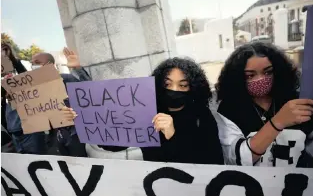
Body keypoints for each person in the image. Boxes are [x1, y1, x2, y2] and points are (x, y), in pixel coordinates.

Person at [63, 57, 248, 165]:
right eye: (168, 84)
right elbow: (112, 143)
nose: (174, 90)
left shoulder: (201, 116)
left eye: (182, 85)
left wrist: (173, 135)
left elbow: (211, 162)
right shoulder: (146, 111)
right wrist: (85, 120)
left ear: (192, 88)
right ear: (159, 84)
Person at [215, 42, 313, 167]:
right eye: (250, 75)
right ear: (238, 78)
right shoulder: (230, 108)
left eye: (267, 72)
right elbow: (237, 159)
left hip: (298, 182)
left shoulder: (296, 100)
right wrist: (278, 122)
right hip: (254, 185)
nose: (260, 80)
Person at [31, 48, 91, 157]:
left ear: (49, 64)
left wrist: (77, 68)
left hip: (76, 135)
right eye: (32, 64)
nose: (33, 67)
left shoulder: (67, 79)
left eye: (37, 63)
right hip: (56, 137)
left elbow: (90, 91)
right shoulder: (35, 89)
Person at [1, 42, 47, 154]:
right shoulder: (4, 86)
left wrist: (12, 59)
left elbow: (27, 78)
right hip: (15, 133)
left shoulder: (20, 73)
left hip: (31, 132)